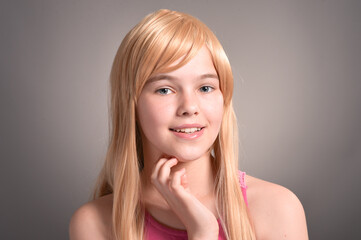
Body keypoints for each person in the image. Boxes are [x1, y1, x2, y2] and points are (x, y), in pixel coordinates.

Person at [69, 9, 308, 240]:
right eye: (165, 89)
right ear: (131, 103)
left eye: (205, 88)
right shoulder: (94, 222)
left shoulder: (278, 209)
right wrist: (202, 233)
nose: (189, 106)